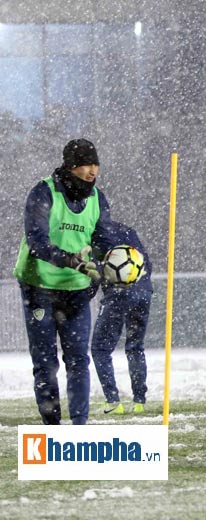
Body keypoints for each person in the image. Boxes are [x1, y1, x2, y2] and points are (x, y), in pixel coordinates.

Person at [13, 138, 113, 425]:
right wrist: (71, 260)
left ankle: (78, 428)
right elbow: (36, 241)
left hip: (77, 291)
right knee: (45, 363)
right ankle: (53, 430)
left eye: (96, 164)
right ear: (71, 166)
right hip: (39, 288)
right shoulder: (43, 192)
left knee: (79, 360)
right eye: (86, 164)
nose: (93, 170)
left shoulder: (98, 199)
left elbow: (103, 240)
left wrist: (114, 262)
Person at [90, 221, 153, 415]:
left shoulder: (91, 234)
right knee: (135, 347)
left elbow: (96, 272)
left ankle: (113, 401)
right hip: (144, 291)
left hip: (118, 294)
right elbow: (147, 263)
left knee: (100, 349)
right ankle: (139, 401)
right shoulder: (127, 230)